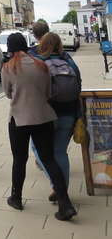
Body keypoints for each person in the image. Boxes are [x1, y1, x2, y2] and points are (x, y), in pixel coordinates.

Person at [2, 33, 77, 220]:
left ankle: (16, 198)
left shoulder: (8, 67)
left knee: (19, 160)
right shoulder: (41, 65)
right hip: (44, 118)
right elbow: (49, 92)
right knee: (49, 159)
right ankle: (65, 204)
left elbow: (8, 93)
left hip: (19, 119)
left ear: (11, 49)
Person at [31, 33, 81, 201]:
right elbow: (78, 89)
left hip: (47, 116)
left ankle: (57, 186)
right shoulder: (69, 62)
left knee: (37, 149)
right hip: (69, 113)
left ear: (42, 45)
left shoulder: (39, 63)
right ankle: (62, 190)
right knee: (60, 152)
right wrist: (78, 116)